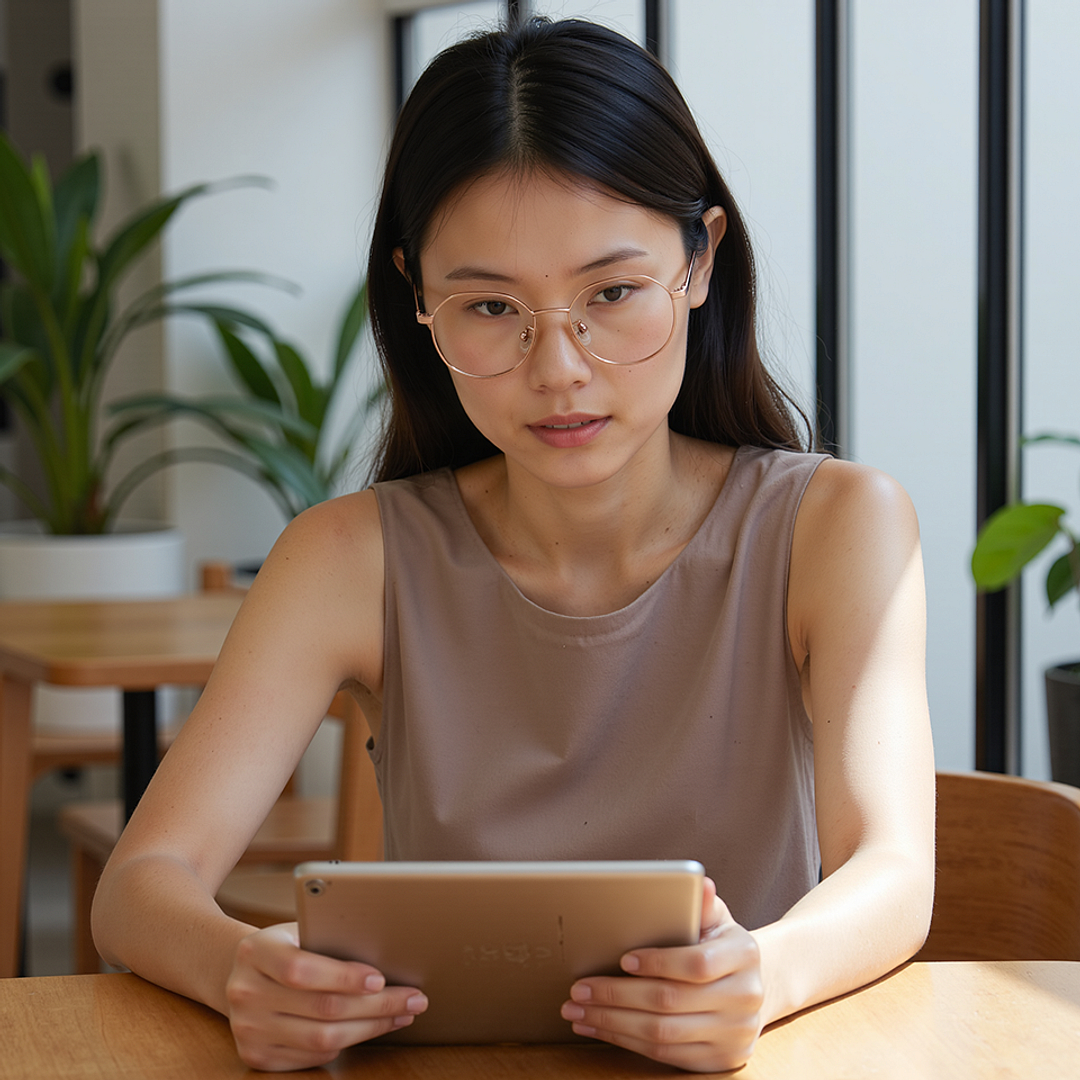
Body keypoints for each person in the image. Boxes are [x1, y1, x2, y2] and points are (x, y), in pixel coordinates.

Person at [92, 17, 935, 1074]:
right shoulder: (349, 558)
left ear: (701, 261)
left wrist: (769, 972)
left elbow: (895, 869)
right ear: (419, 302)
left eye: (612, 295)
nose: (561, 369)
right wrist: (238, 970)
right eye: (491, 306)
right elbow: (142, 881)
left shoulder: (838, 527)